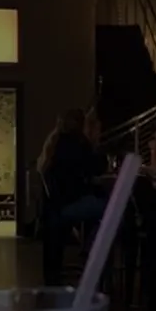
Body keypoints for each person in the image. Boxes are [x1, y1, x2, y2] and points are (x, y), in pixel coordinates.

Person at [40, 108, 108, 286]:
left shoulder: (57, 141)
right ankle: (92, 252)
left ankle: (88, 247)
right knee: (110, 210)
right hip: (69, 203)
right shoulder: (78, 143)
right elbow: (98, 167)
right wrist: (94, 142)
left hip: (55, 206)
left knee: (98, 206)